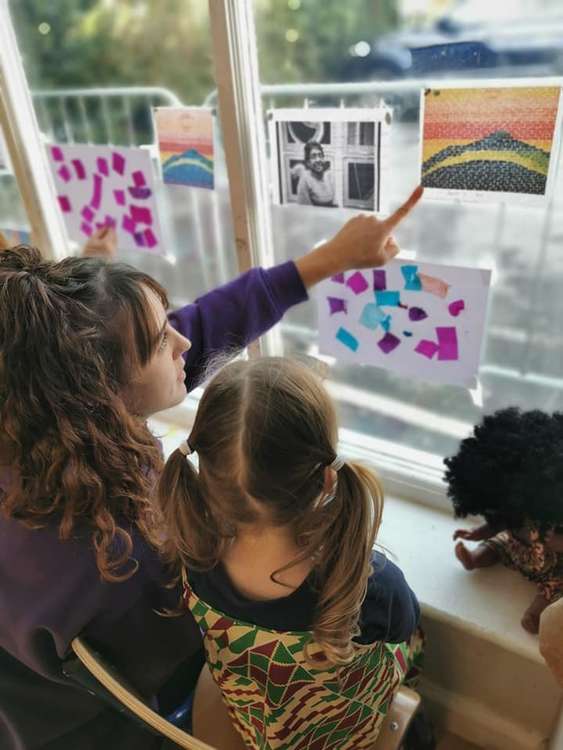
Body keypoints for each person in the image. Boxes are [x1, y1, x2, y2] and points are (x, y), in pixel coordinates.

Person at [0, 185, 423, 750]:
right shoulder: (123, 557)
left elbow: (196, 327)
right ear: (97, 391)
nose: (184, 338)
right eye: (158, 342)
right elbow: (193, 656)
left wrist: (332, 257)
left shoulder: (37, 425)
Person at [158, 357, 422, 749]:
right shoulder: (373, 585)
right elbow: (405, 628)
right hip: (344, 737)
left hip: (253, 720)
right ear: (327, 478)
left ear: (207, 480)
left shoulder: (193, 559)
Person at [444, 407, 563, 634]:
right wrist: (477, 533)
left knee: (555, 588)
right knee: (496, 545)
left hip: (554, 566)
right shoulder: (512, 510)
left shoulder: (553, 517)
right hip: (515, 550)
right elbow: (496, 525)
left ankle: (536, 613)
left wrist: (554, 541)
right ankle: (476, 559)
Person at [294, 141, 335, 207]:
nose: (318, 160)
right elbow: (304, 210)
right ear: (308, 162)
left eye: (320, 155)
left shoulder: (329, 176)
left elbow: (334, 204)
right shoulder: (305, 180)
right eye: (313, 157)